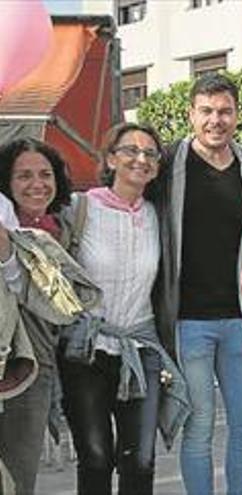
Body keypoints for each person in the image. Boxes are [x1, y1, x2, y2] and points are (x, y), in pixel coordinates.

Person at [57, 123, 187, 495]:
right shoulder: (79, 208)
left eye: (150, 153)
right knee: (96, 457)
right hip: (86, 349)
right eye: (130, 150)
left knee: (141, 460)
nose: (141, 159)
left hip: (140, 349)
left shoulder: (159, 217)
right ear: (111, 158)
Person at [152, 73, 242, 495]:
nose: (216, 120)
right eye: (207, 111)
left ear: (236, 115)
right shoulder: (168, 162)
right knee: (198, 426)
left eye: (224, 111)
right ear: (191, 114)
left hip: (238, 319)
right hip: (188, 319)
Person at [0, 139, 73, 495]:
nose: (36, 184)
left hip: (33, 372)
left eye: (45, 174)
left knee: (19, 476)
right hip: (7, 353)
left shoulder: (61, 230)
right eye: (23, 176)